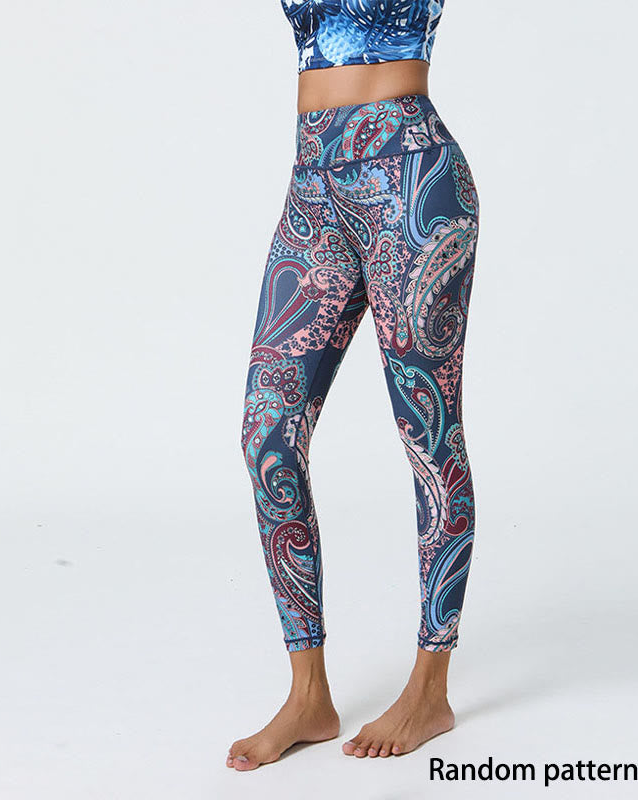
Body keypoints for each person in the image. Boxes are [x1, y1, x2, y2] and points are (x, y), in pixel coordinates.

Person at [228, 0, 480, 771]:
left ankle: (430, 688)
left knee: (428, 438)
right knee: (266, 436)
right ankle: (309, 695)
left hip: (411, 176)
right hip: (313, 188)